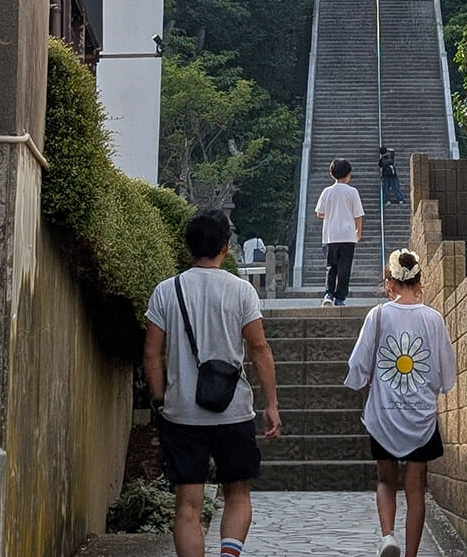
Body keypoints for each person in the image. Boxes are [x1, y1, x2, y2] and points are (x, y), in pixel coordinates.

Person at [144, 210, 283, 557]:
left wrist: (162, 401)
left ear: (188, 247)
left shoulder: (166, 291)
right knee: (237, 493)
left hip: (182, 414)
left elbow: (151, 355)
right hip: (232, 412)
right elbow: (259, 349)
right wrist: (271, 404)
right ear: (225, 247)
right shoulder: (241, 291)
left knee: (187, 507)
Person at [344, 249, 456, 557]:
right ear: (420, 281)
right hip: (421, 416)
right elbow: (447, 372)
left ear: (389, 283)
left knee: (385, 479)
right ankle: (410, 555)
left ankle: (388, 535)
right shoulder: (433, 319)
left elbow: (358, 367)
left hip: (384, 415)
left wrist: (365, 383)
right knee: (416, 487)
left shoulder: (377, 315)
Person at [315, 156, 364, 307]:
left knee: (331, 267)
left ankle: (328, 294)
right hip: (348, 236)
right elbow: (358, 215)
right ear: (348, 174)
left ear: (332, 174)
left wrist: (329, 213)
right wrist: (358, 232)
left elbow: (319, 213)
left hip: (331, 236)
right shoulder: (352, 192)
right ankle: (340, 298)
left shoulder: (327, 191)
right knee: (345, 268)